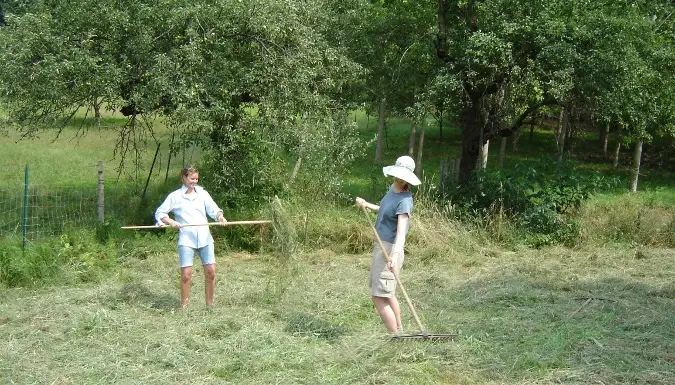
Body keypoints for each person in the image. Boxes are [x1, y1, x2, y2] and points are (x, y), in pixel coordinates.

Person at [355, 155, 421, 334]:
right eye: (397, 175)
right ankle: (399, 331)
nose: (398, 179)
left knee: (378, 296)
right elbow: (385, 208)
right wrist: (367, 205)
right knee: (388, 294)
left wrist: (395, 255)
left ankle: (395, 337)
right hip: (381, 246)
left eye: (402, 176)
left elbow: (401, 234)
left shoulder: (405, 201)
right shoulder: (393, 190)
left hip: (390, 249)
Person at [155, 166, 227, 309]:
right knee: (186, 274)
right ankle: (184, 307)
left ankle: (210, 306)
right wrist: (171, 222)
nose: (195, 181)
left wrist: (220, 217)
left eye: (196, 179)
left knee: (211, 271)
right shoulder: (175, 196)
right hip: (187, 239)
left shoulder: (203, 194)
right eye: (191, 179)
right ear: (183, 178)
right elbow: (160, 213)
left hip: (205, 238)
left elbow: (214, 209)